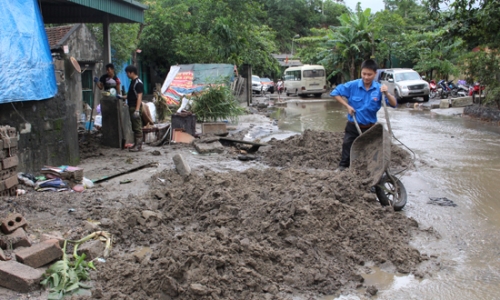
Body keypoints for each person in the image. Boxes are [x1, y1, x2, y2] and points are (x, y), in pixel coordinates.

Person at [330, 59, 397, 172]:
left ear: (375, 74)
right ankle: (343, 167)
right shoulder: (352, 85)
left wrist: (387, 93)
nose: (366, 77)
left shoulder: (379, 89)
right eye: (364, 74)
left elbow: (394, 104)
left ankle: (369, 171)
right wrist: (347, 106)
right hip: (353, 125)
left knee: (370, 151)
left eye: (369, 74)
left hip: (370, 128)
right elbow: (335, 93)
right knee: (347, 145)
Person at [118, 65, 144, 152]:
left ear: (131, 73)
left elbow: (139, 97)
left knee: (137, 126)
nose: (126, 75)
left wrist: (137, 109)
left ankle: (138, 145)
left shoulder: (138, 83)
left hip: (135, 107)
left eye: (127, 73)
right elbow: (130, 96)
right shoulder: (133, 82)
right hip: (131, 106)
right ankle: (136, 144)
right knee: (134, 126)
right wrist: (121, 97)